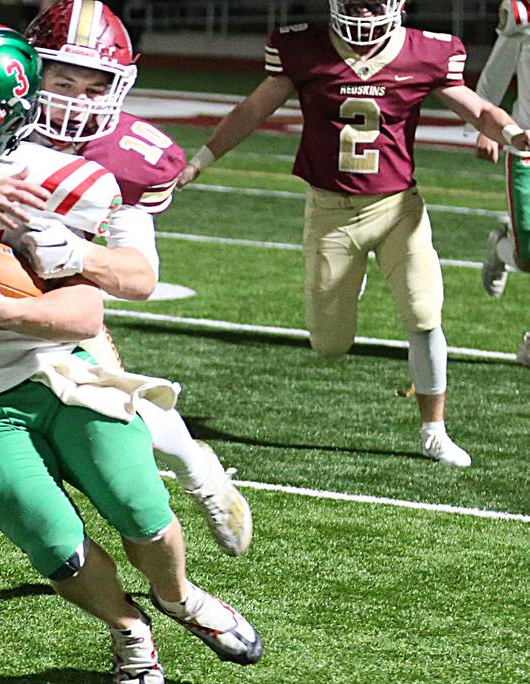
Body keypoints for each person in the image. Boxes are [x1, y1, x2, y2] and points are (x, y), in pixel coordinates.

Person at [0, 25, 262, 682]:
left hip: (57, 370)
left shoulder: (69, 178)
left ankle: (182, 595)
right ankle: (130, 629)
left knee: (141, 509)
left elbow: (98, 305)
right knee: (52, 544)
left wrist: (6, 310)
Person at [178, 0, 530, 468]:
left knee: (425, 313)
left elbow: (479, 108)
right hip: (329, 215)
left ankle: (434, 430)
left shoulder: (427, 53)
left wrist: (511, 133)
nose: (363, 14)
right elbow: (252, 110)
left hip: (398, 209)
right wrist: (199, 160)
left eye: (373, 3)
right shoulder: (302, 47)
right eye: (355, 2)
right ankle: (353, 275)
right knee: (329, 344)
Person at [473, 0, 530, 367]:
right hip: (527, 144)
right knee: (527, 257)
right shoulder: (523, 12)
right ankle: (501, 246)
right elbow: (498, 69)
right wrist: (487, 126)